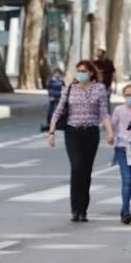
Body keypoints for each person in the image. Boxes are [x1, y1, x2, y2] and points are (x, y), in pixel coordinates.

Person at [48, 60, 115, 222]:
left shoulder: (99, 89)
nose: (80, 73)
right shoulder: (70, 87)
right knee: (77, 166)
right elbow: (59, 110)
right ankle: (75, 209)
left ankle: (83, 210)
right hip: (73, 133)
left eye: (83, 70)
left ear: (91, 72)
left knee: (86, 171)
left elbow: (104, 113)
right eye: (78, 70)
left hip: (91, 133)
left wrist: (110, 133)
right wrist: (51, 131)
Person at [110, 85, 131, 224]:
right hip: (123, 148)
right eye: (127, 95)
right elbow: (111, 125)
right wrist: (111, 135)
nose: (129, 98)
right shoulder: (119, 110)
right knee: (127, 181)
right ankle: (126, 212)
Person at [43, 68, 65, 133]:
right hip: (52, 97)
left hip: (59, 97)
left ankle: (57, 123)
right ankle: (48, 123)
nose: (57, 75)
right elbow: (48, 88)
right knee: (50, 110)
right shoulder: (51, 80)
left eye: (58, 73)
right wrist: (50, 96)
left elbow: (64, 88)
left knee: (58, 111)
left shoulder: (61, 81)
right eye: (56, 73)